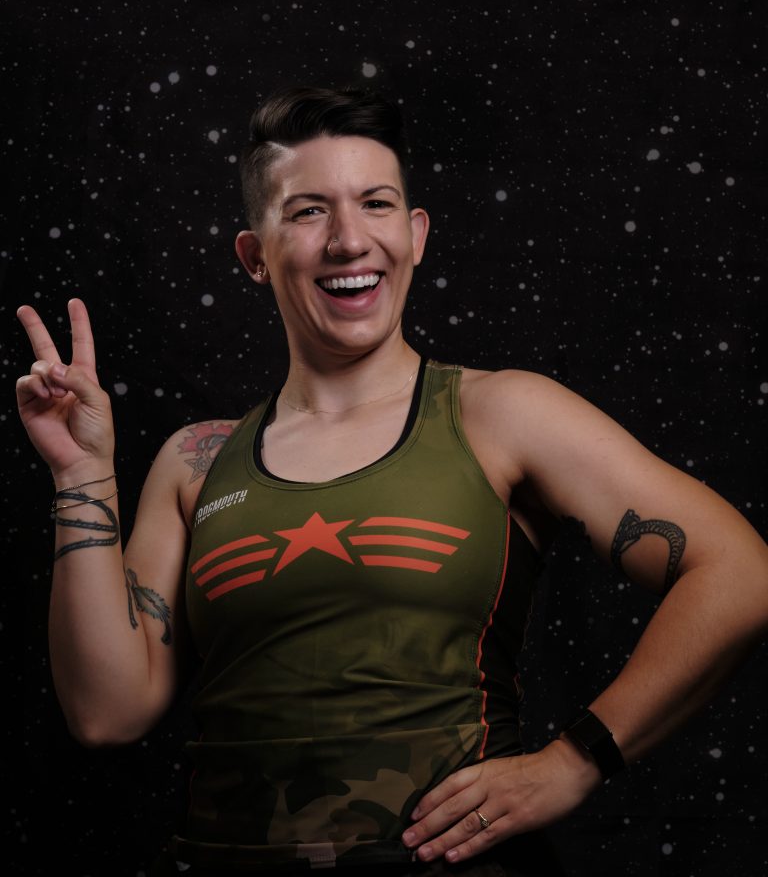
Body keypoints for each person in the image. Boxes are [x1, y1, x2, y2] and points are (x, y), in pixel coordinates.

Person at [16, 86, 768, 877]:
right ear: (255, 255)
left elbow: (741, 573)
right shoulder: (197, 460)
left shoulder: (501, 415)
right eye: (308, 212)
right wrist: (82, 473)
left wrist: (574, 761)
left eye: (375, 204)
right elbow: (106, 713)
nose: (349, 240)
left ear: (415, 235)